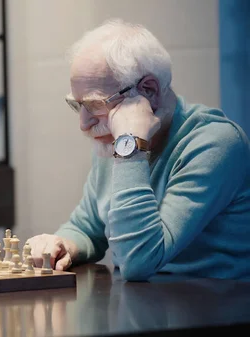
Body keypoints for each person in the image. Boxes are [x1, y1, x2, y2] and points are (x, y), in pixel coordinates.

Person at [26, 19, 250, 281]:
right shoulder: (115, 141)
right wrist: (64, 244)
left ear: (148, 90)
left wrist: (130, 147)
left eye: (95, 105)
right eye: (77, 105)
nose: (83, 124)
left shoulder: (216, 143)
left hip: (213, 312)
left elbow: (140, 260)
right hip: (146, 310)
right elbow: (88, 227)